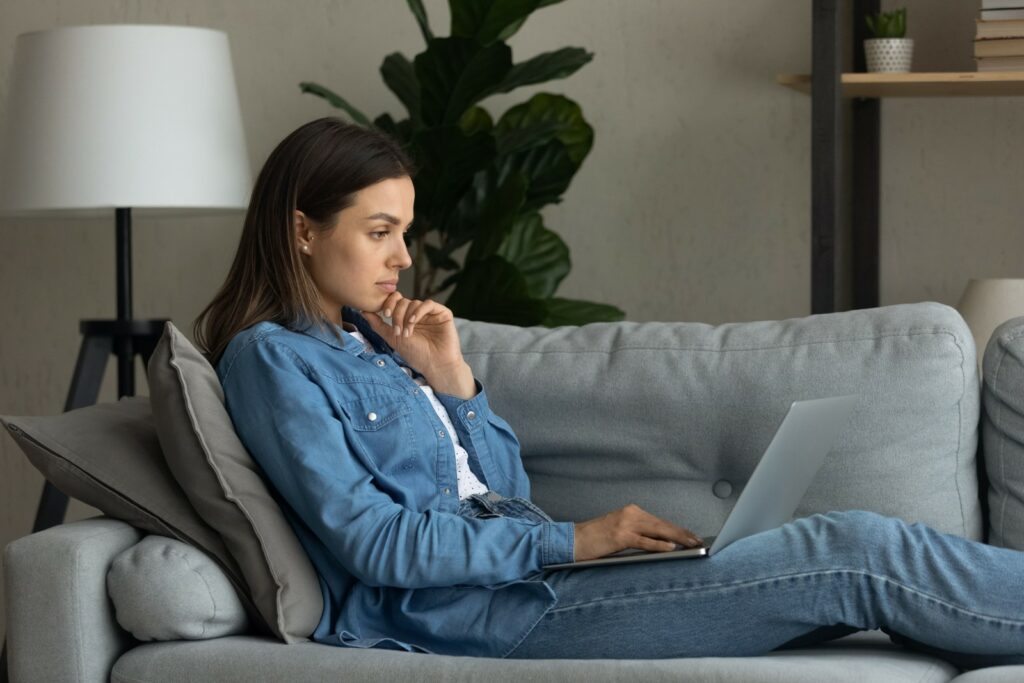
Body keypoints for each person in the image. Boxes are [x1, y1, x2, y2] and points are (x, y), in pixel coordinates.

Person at [195, 116, 1024, 664]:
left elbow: (505, 496)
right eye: (380, 232)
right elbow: (376, 545)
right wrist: (575, 542)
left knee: (843, 546)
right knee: (859, 549)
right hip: (493, 618)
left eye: (403, 232)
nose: (403, 258)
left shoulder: (375, 346)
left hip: (537, 587)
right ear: (302, 228)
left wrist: (454, 383)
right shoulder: (271, 362)